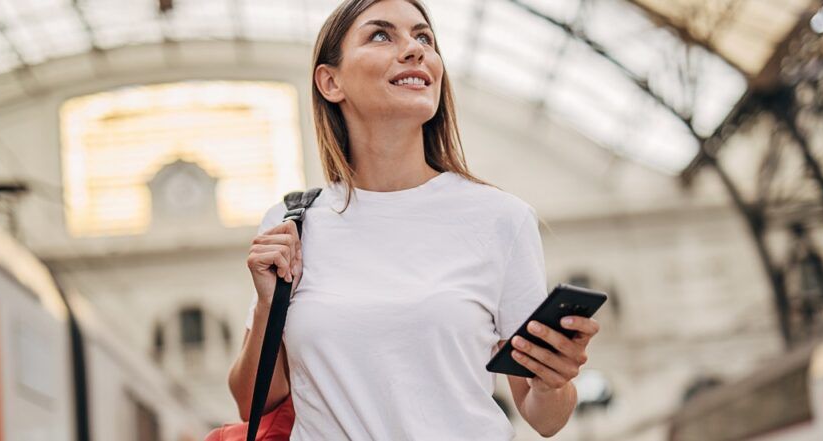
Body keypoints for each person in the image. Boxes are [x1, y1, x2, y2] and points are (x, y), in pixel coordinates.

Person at [227, 0, 600, 439]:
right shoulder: (294, 223)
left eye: (424, 37)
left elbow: (544, 417)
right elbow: (250, 401)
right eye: (382, 35)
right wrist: (272, 306)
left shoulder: (500, 220)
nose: (415, 50)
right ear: (330, 81)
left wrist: (554, 382)